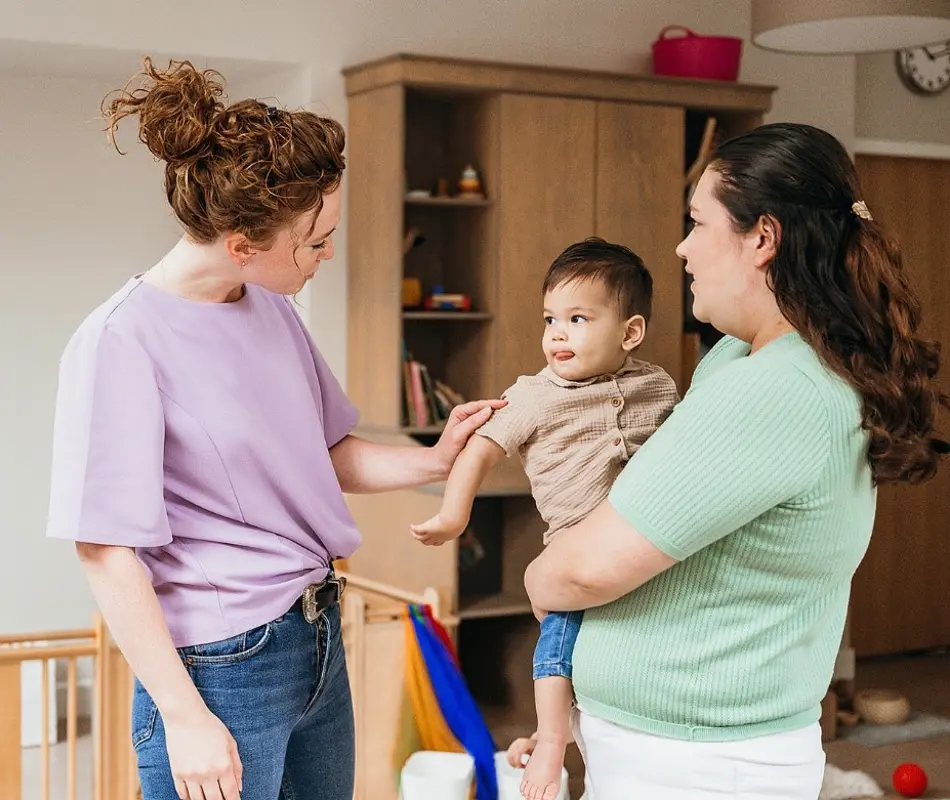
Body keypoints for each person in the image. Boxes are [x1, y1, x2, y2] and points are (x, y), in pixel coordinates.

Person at [45, 58, 503, 800]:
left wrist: (435, 460)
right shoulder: (120, 341)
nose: (327, 256)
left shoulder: (268, 309)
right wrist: (185, 717)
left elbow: (324, 453)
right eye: (314, 241)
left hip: (315, 633)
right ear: (241, 243)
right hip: (221, 664)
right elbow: (104, 549)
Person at [515, 122, 950, 799]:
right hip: (672, 748)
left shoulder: (778, 390)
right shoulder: (741, 358)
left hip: (700, 765)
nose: (682, 248)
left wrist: (543, 574)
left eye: (697, 223)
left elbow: (583, 570)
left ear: (762, 238)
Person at [410, 238, 679, 800]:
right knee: (557, 643)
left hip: (643, 545)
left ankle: (591, 728)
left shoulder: (657, 387)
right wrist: (454, 513)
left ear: (629, 333)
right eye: (550, 318)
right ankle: (552, 741)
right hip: (576, 551)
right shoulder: (533, 396)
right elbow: (480, 449)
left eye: (578, 319)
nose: (557, 333)